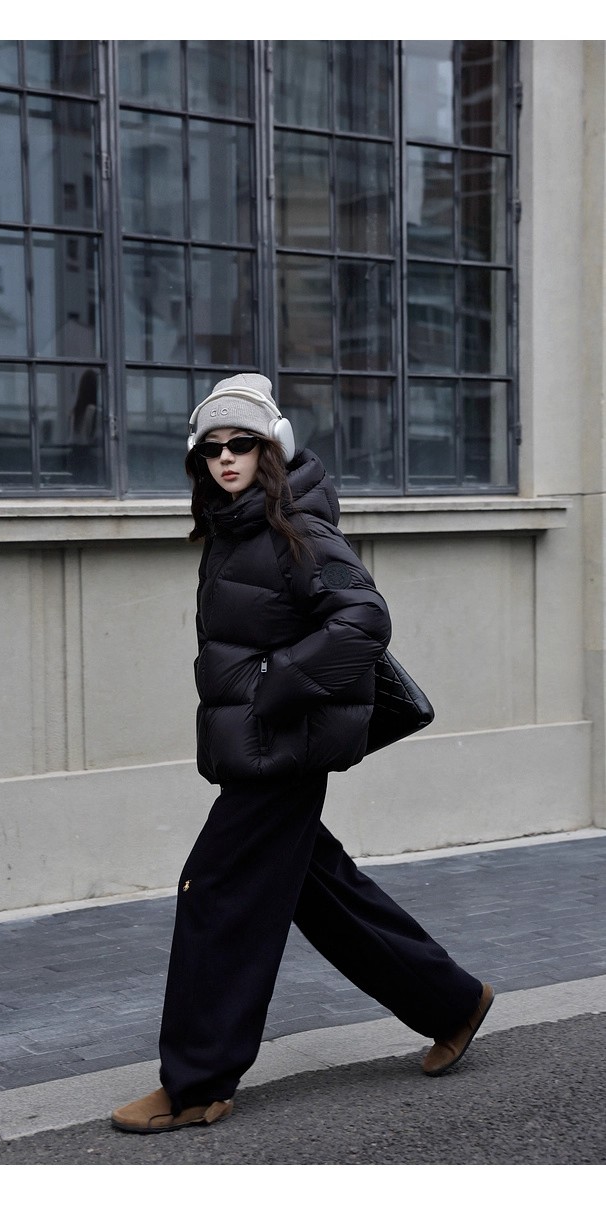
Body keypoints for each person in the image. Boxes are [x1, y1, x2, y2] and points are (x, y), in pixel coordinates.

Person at [111, 373, 494, 1135]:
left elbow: (364, 619)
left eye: (242, 443)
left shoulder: (296, 530)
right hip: (262, 745)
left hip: (283, 749)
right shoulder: (236, 528)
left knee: (216, 890)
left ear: (272, 449)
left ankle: (197, 1082)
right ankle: (451, 1000)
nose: (226, 458)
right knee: (319, 888)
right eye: (212, 447)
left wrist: (274, 686)